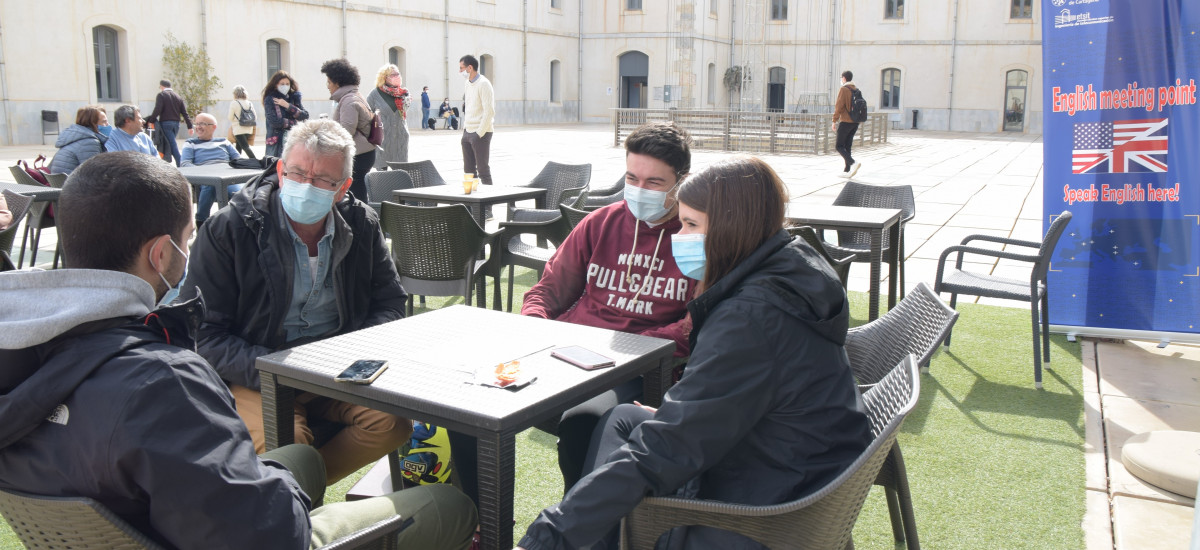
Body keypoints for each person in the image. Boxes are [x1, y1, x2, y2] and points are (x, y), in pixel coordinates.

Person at [0, 151, 477, 550]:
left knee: (304, 458)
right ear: (161, 254)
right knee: (450, 506)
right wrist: (277, 489)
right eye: (188, 239)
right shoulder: (162, 381)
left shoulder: (18, 349)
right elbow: (272, 535)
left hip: (140, 521)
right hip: (246, 533)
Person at [516, 156, 872, 550]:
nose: (678, 236)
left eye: (690, 225)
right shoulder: (789, 263)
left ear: (730, 228)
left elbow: (667, 451)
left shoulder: (750, 317)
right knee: (622, 417)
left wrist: (546, 536)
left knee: (633, 460)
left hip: (767, 502)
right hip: (793, 453)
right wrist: (684, 414)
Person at [446, 123, 696, 505]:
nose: (639, 191)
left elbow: (695, 325)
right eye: (632, 178)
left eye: (654, 183)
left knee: (584, 423)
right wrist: (534, 324)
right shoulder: (602, 222)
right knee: (467, 405)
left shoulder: (695, 234)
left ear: (681, 182)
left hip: (638, 368)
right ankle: (480, 524)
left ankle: (573, 531)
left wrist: (637, 348)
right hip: (569, 351)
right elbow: (549, 289)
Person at [181, 119, 412, 484]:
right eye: (298, 173)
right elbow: (201, 334)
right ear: (279, 170)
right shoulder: (232, 228)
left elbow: (390, 303)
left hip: (334, 370)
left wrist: (352, 354)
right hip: (256, 370)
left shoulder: (361, 224)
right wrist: (276, 370)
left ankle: (291, 489)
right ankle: (292, 490)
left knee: (393, 423)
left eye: (323, 181)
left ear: (343, 188)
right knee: (290, 443)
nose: (306, 186)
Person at [321, 58, 375, 200]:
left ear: (337, 83)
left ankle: (359, 220)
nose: (327, 86)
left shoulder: (349, 101)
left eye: (329, 82)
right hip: (364, 152)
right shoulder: (353, 96)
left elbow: (346, 131)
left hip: (358, 155)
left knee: (356, 195)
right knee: (358, 191)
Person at [182, 112, 243, 226]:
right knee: (211, 185)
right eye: (197, 124)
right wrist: (207, 173)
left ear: (213, 127)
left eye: (203, 124)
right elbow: (185, 164)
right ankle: (201, 222)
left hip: (227, 176)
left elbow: (238, 160)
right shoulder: (190, 143)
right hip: (206, 178)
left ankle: (234, 225)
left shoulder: (223, 141)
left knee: (240, 194)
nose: (198, 127)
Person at [459, 55, 495, 187]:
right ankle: (472, 203)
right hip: (467, 132)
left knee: (483, 171)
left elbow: (489, 111)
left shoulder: (484, 84)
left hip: (481, 133)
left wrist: (478, 133)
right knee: (468, 171)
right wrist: (465, 131)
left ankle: (488, 206)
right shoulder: (467, 83)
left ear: (470, 67)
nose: (460, 71)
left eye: (461, 68)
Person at [367, 63, 411, 168]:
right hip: (383, 141)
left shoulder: (404, 94)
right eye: (393, 74)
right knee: (383, 178)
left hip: (400, 139)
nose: (397, 76)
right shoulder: (375, 94)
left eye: (398, 74)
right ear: (384, 77)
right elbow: (367, 116)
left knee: (400, 174)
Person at [144, 79, 193, 166]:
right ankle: (167, 163)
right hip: (176, 125)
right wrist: (190, 126)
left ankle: (181, 164)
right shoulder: (178, 96)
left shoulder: (161, 95)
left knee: (172, 145)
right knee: (170, 144)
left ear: (162, 86)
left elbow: (158, 109)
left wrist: (151, 120)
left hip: (166, 124)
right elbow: (184, 113)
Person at [49, 105, 109, 174]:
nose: (107, 125)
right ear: (93, 123)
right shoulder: (89, 142)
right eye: (104, 122)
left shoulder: (73, 137)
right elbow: (94, 173)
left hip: (62, 182)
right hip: (72, 183)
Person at [262, 70, 309, 158]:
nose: (285, 86)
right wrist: (295, 123)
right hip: (276, 142)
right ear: (276, 85)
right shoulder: (270, 99)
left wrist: (287, 105)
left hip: (294, 139)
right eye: (282, 84)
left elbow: (304, 115)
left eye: (287, 84)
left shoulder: (294, 98)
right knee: (275, 168)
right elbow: (274, 122)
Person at [832, 70, 861, 178]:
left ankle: (853, 163)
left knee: (839, 146)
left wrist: (834, 120)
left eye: (841, 78)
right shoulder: (855, 89)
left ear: (844, 78)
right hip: (855, 122)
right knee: (847, 146)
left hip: (846, 121)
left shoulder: (844, 89)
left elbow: (839, 106)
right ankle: (847, 170)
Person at [228, 85, 258, 159]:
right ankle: (237, 160)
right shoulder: (249, 103)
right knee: (239, 146)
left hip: (239, 129)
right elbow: (255, 117)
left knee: (245, 147)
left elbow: (230, 117)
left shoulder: (234, 103)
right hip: (249, 128)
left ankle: (255, 161)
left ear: (235, 94)